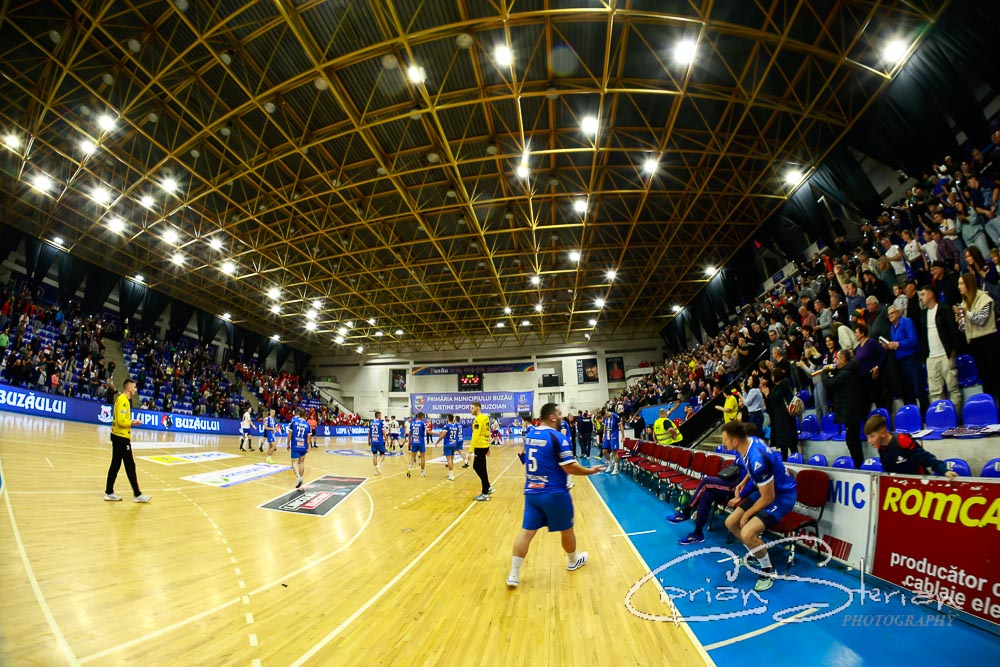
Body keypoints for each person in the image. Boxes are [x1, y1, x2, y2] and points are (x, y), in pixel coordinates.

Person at [506, 403, 605, 588]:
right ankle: (573, 560)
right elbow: (570, 467)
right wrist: (590, 471)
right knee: (567, 530)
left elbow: (525, 456)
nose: (562, 417)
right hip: (554, 492)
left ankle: (514, 574)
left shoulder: (531, 434)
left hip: (532, 492)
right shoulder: (557, 436)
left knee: (526, 532)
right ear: (552, 417)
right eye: (559, 414)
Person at [722, 421, 797, 592]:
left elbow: (768, 498)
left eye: (725, 439)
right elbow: (754, 469)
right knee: (731, 522)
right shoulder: (748, 443)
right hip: (766, 490)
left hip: (782, 496)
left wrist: (747, 515)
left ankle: (768, 570)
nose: (723, 443)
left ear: (735, 441)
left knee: (747, 532)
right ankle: (756, 554)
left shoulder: (757, 458)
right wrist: (744, 481)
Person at [863, 414, 958, 477]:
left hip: (919, 482)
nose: (869, 441)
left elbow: (926, 458)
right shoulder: (881, 448)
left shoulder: (902, 440)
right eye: (867, 437)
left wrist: (944, 470)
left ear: (883, 433)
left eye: (872, 436)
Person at [917, 285, 963, 412]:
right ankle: (941, 416)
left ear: (931, 294)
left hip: (945, 354)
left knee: (953, 388)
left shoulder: (944, 309)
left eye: (923, 294)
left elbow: (953, 331)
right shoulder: (923, 315)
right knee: (935, 392)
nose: (921, 298)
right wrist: (925, 356)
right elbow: (923, 337)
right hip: (931, 358)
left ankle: (955, 416)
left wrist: (953, 349)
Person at [104, 378, 150, 503]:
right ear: (129, 388)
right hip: (121, 438)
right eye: (134, 387)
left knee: (115, 464)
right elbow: (121, 421)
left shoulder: (124, 400)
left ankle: (109, 492)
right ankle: (137, 494)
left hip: (118, 436)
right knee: (130, 465)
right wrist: (132, 422)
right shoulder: (123, 400)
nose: (136, 390)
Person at [957, 272, 1000, 404]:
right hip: (975, 344)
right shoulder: (965, 303)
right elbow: (965, 328)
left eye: (961, 283)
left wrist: (966, 313)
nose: (959, 286)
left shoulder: (984, 298)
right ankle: (990, 408)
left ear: (969, 284)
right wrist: (960, 321)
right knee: (985, 380)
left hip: (989, 342)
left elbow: (981, 320)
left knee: (996, 378)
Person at [823, 349, 868, 468]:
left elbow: (829, 384)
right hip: (852, 411)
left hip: (850, 412)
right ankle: (858, 464)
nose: (835, 360)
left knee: (852, 441)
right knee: (852, 440)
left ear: (843, 360)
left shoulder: (846, 374)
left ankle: (859, 466)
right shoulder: (851, 370)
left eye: (837, 358)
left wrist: (825, 373)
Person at [761, 369, 797, 461]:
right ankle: (784, 461)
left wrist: (767, 394)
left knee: (791, 443)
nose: (771, 378)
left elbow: (775, 398)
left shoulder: (784, 384)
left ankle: (796, 459)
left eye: (772, 376)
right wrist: (766, 394)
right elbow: (772, 400)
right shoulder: (776, 387)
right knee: (783, 444)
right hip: (779, 418)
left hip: (786, 417)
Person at [470, 401, 492, 501]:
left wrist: (470, 450)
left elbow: (475, 435)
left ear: (477, 408)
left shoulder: (478, 419)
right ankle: (488, 487)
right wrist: (488, 446)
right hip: (485, 445)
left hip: (480, 446)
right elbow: (488, 432)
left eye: (472, 408)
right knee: (482, 468)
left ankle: (485, 492)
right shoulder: (485, 417)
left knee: (477, 467)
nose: (470, 410)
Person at [286, 408, 310, 488]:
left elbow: (290, 435)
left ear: (299, 414)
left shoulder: (294, 422)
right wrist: (308, 447)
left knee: (294, 462)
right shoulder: (307, 425)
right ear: (305, 415)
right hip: (303, 445)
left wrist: (288, 444)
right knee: (302, 462)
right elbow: (308, 439)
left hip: (295, 445)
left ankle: (298, 478)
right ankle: (301, 478)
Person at [435, 414, 463, 481]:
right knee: (451, 459)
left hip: (448, 444)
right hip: (454, 444)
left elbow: (442, 436)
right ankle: (451, 473)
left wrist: (437, 442)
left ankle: (451, 475)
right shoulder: (455, 426)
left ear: (448, 418)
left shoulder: (446, 426)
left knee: (449, 460)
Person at [407, 411, 432, 478]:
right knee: (422, 457)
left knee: (412, 457)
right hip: (421, 442)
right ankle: (422, 472)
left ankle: (409, 468)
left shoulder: (412, 423)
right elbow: (428, 432)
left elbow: (409, 433)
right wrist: (437, 433)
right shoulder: (423, 423)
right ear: (422, 417)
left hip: (414, 442)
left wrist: (409, 441)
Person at [601, 408, 622, 474]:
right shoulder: (605, 418)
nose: (605, 417)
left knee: (614, 452)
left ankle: (616, 469)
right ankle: (610, 464)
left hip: (614, 435)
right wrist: (603, 435)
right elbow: (605, 426)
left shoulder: (615, 416)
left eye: (605, 416)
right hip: (607, 435)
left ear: (607, 413)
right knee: (604, 451)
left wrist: (623, 436)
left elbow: (621, 426)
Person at [369, 410, 387, 476]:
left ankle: (375, 471)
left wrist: (368, 440)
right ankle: (378, 465)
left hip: (373, 441)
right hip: (379, 441)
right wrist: (386, 439)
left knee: (374, 455)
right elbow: (383, 432)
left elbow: (369, 432)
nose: (381, 416)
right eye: (380, 415)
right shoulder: (380, 422)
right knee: (382, 454)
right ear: (378, 416)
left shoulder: (371, 422)